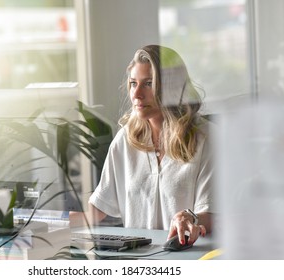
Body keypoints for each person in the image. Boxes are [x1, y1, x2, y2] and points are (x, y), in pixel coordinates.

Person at [70, 45, 214, 246]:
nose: (137, 94)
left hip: (188, 258)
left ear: (171, 88)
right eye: (132, 83)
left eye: (148, 83)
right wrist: (42, 222)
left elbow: (211, 212)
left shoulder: (206, 138)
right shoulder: (125, 139)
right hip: (137, 260)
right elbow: (96, 212)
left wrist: (189, 217)